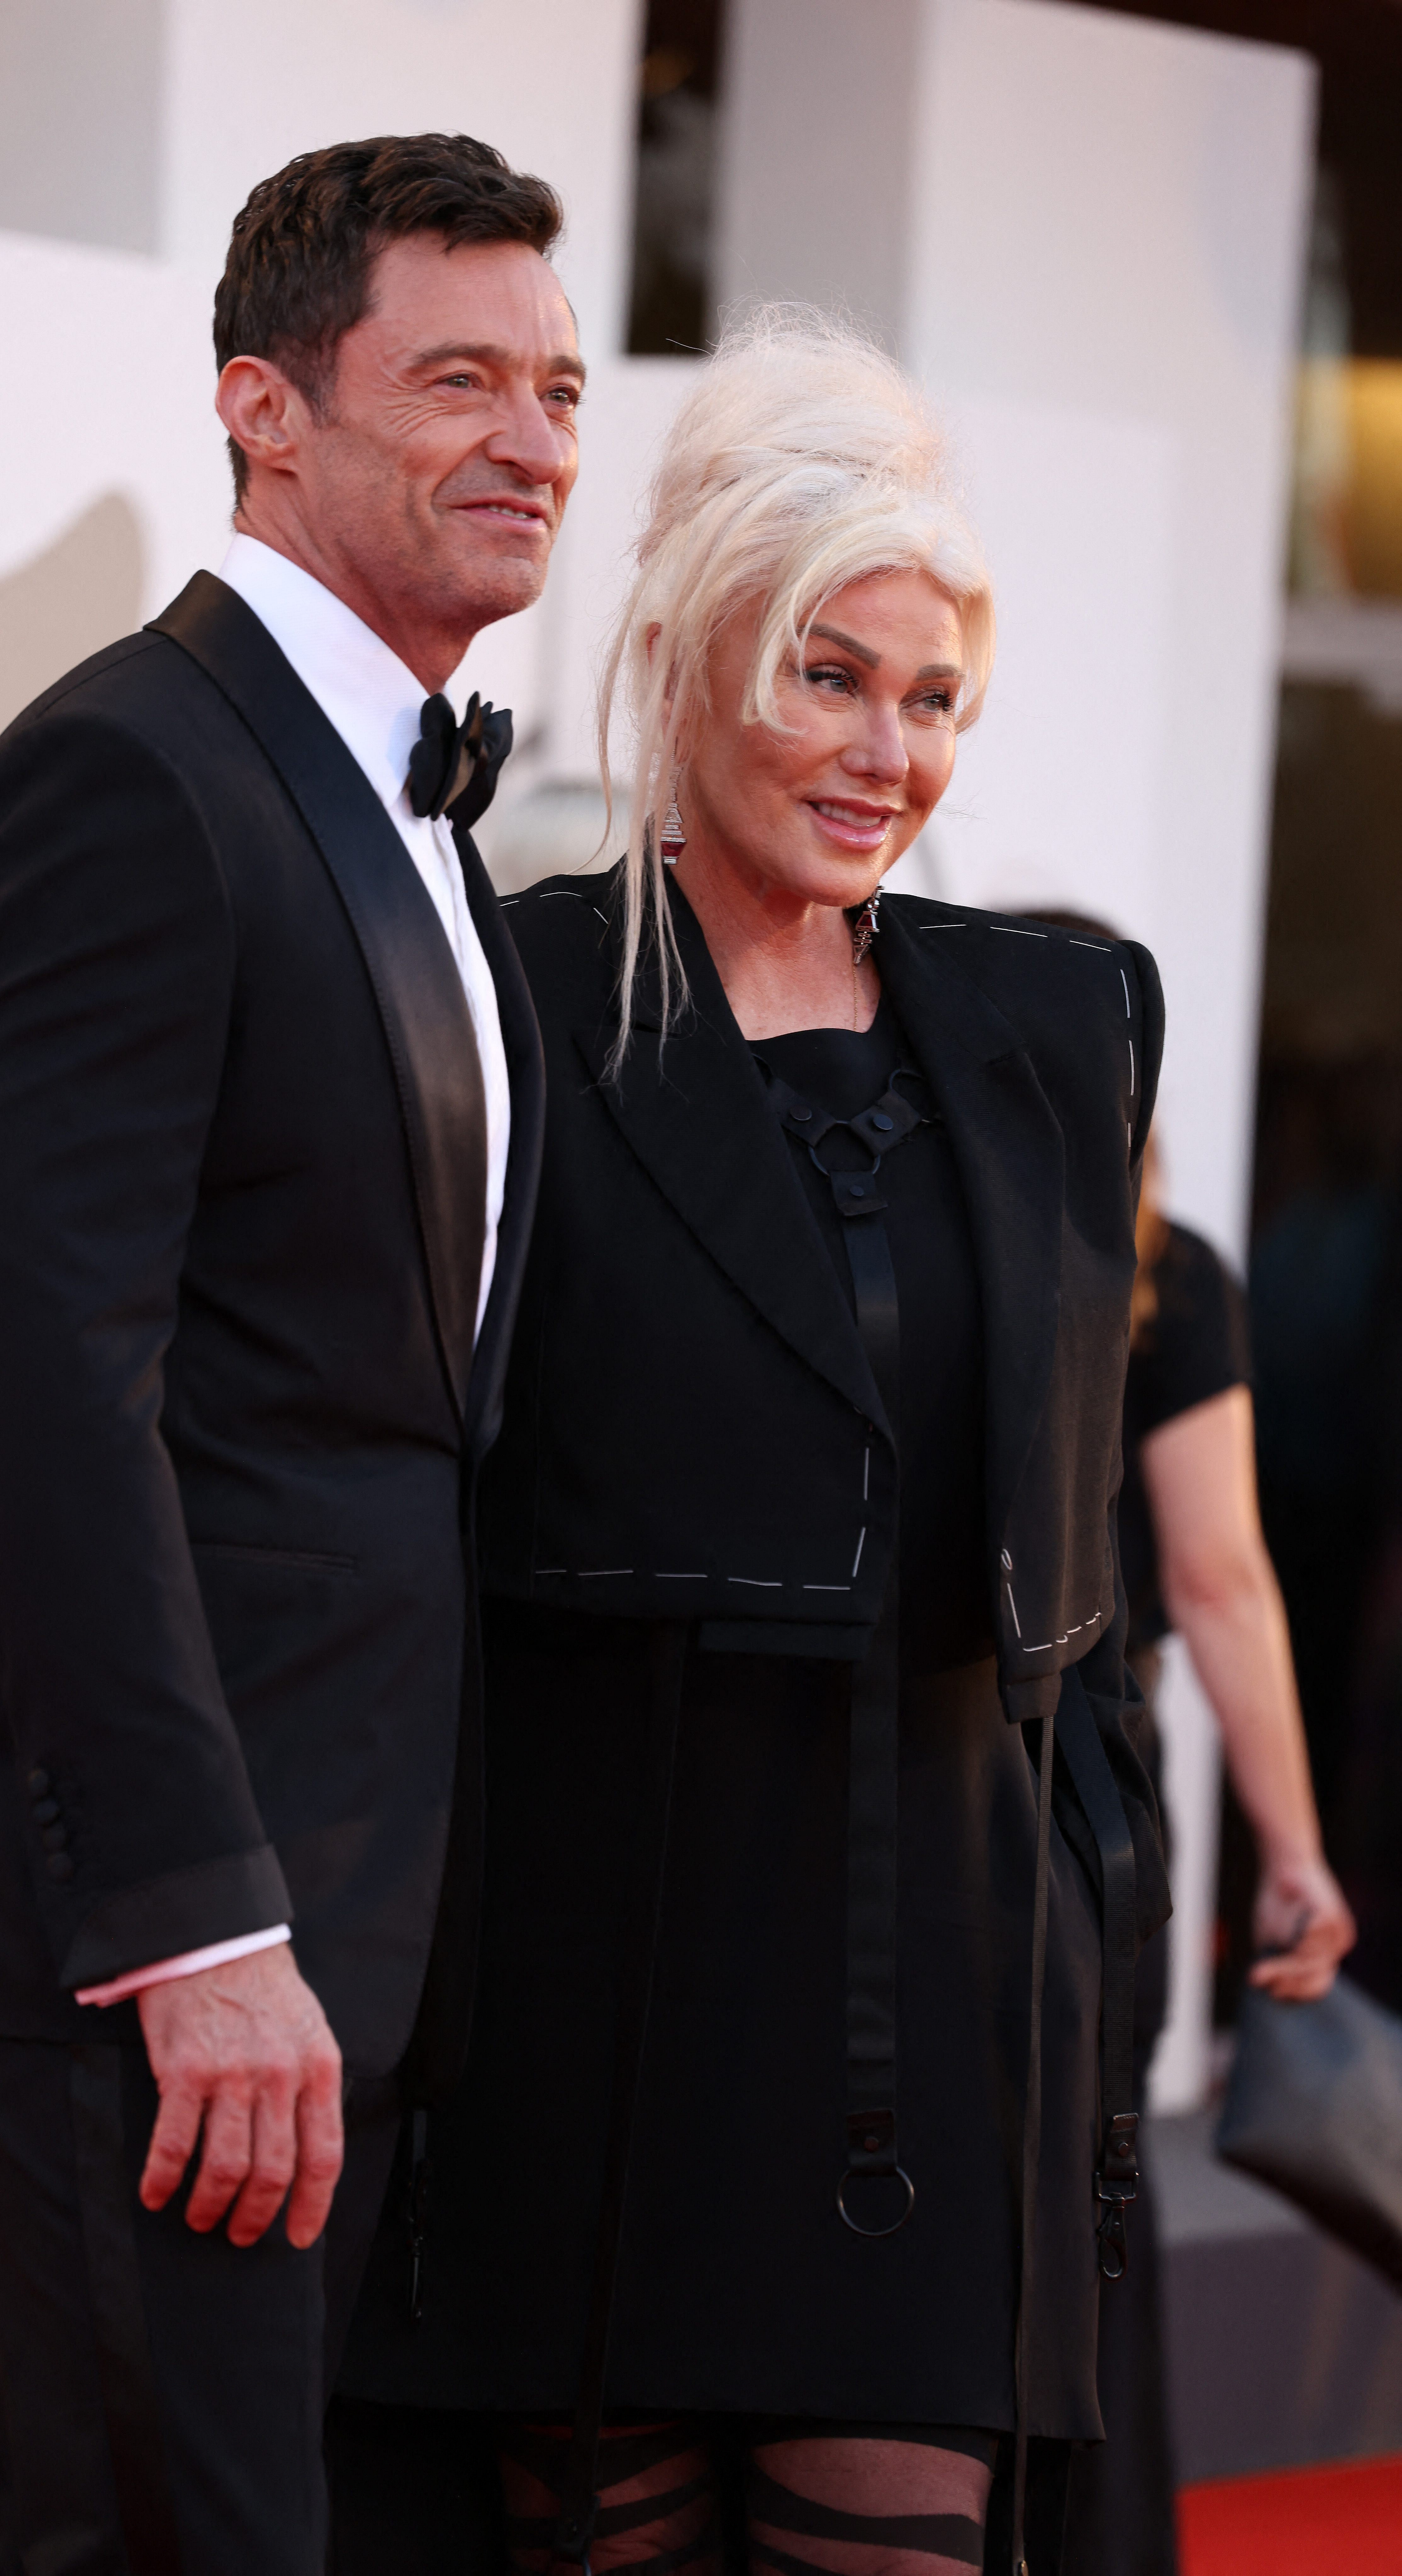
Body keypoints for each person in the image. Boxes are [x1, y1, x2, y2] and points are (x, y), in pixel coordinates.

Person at [328, 313, 1170, 2576]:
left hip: (931, 1976)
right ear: (694, 654)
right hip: (597, 1976)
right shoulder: (507, 996)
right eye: (830, 675)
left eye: (931, 696)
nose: (887, 750)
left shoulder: (1045, 1030)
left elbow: (1077, 1556)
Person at [0, 133, 580, 2575]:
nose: (533, 442)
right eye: (453, 378)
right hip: (173, 1905)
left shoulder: (406, 812)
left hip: (345, 1870)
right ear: (264, 410)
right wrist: (193, 1921)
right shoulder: (132, 770)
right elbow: (45, 1372)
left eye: (560, 390)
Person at [1044, 1080, 1356, 2576]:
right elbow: (1221, 1575)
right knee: (1091, 2202)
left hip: (882, 1788)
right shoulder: (1159, 1274)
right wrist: (1290, 1856)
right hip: (1082, 1793)